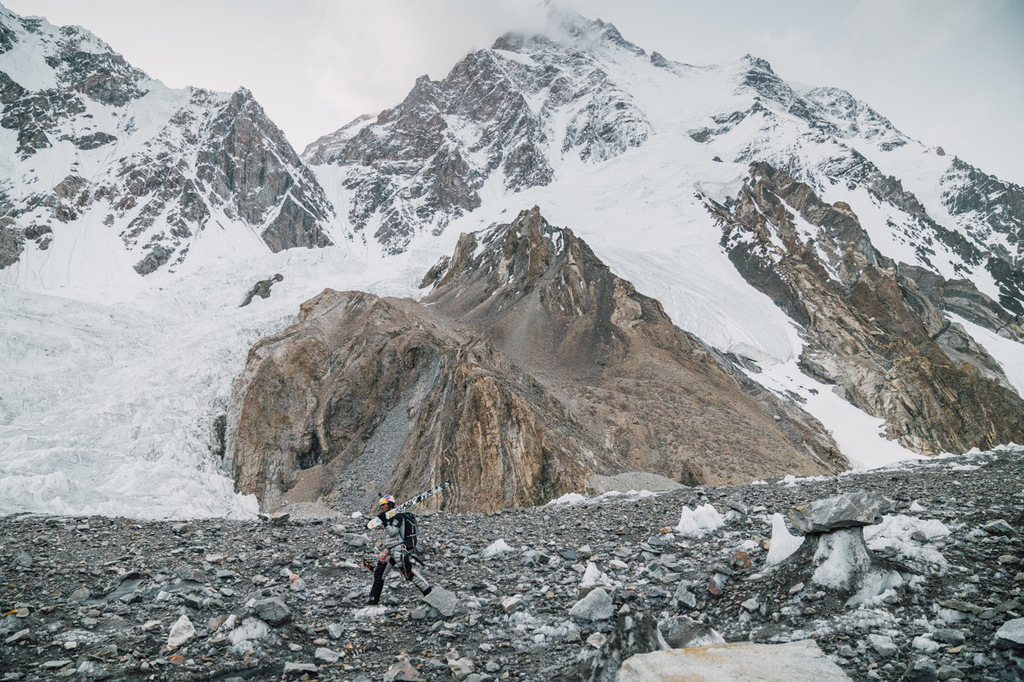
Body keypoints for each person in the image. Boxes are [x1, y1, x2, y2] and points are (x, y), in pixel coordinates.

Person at [366, 494, 431, 605]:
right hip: (389, 551)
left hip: (398, 550)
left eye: (385, 505)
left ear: (390, 505)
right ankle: (373, 601)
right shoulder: (390, 517)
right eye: (382, 505)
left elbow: (393, 532)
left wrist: (385, 523)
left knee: (409, 574)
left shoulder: (398, 517)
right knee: (379, 575)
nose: (383, 507)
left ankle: (429, 593)